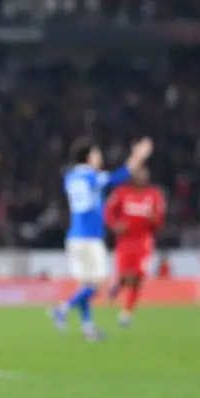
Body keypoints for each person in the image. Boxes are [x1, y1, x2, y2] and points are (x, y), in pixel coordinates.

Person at [51, 137, 153, 340]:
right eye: (97, 154)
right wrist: (137, 156)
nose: (100, 157)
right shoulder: (91, 176)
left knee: (86, 285)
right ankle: (63, 308)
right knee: (97, 284)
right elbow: (119, 176)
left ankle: (88, 328)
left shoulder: (70, 177)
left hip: (74, 237)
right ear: (89, 157)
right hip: (90, 237)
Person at [104, 165, 165, 327]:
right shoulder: (122, 192)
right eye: (138, 174)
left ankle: (127, 313)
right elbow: (108, 211)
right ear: (132, 176)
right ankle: (118, 283)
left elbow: (159, 221)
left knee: (138, 278)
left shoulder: (154, 195)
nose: (142, 177)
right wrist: (114, 225)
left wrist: (154, 220)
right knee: (125, 276)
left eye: (144, 174)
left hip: (144, 243)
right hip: (125, 242)